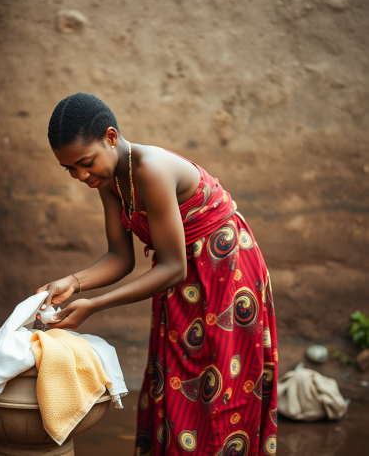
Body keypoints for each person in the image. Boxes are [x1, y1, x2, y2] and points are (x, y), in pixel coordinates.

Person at [36, 93, 278, 456]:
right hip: (185, 282)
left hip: (225, 274)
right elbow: (121, 257)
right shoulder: (110, 180)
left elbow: (173, 266)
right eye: (69, 168)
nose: (80, 175)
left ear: (112, 138)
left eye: (85, 162)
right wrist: (74, 282)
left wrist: (95, 304)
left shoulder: (149, 170)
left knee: (222, 393)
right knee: (182, 386)